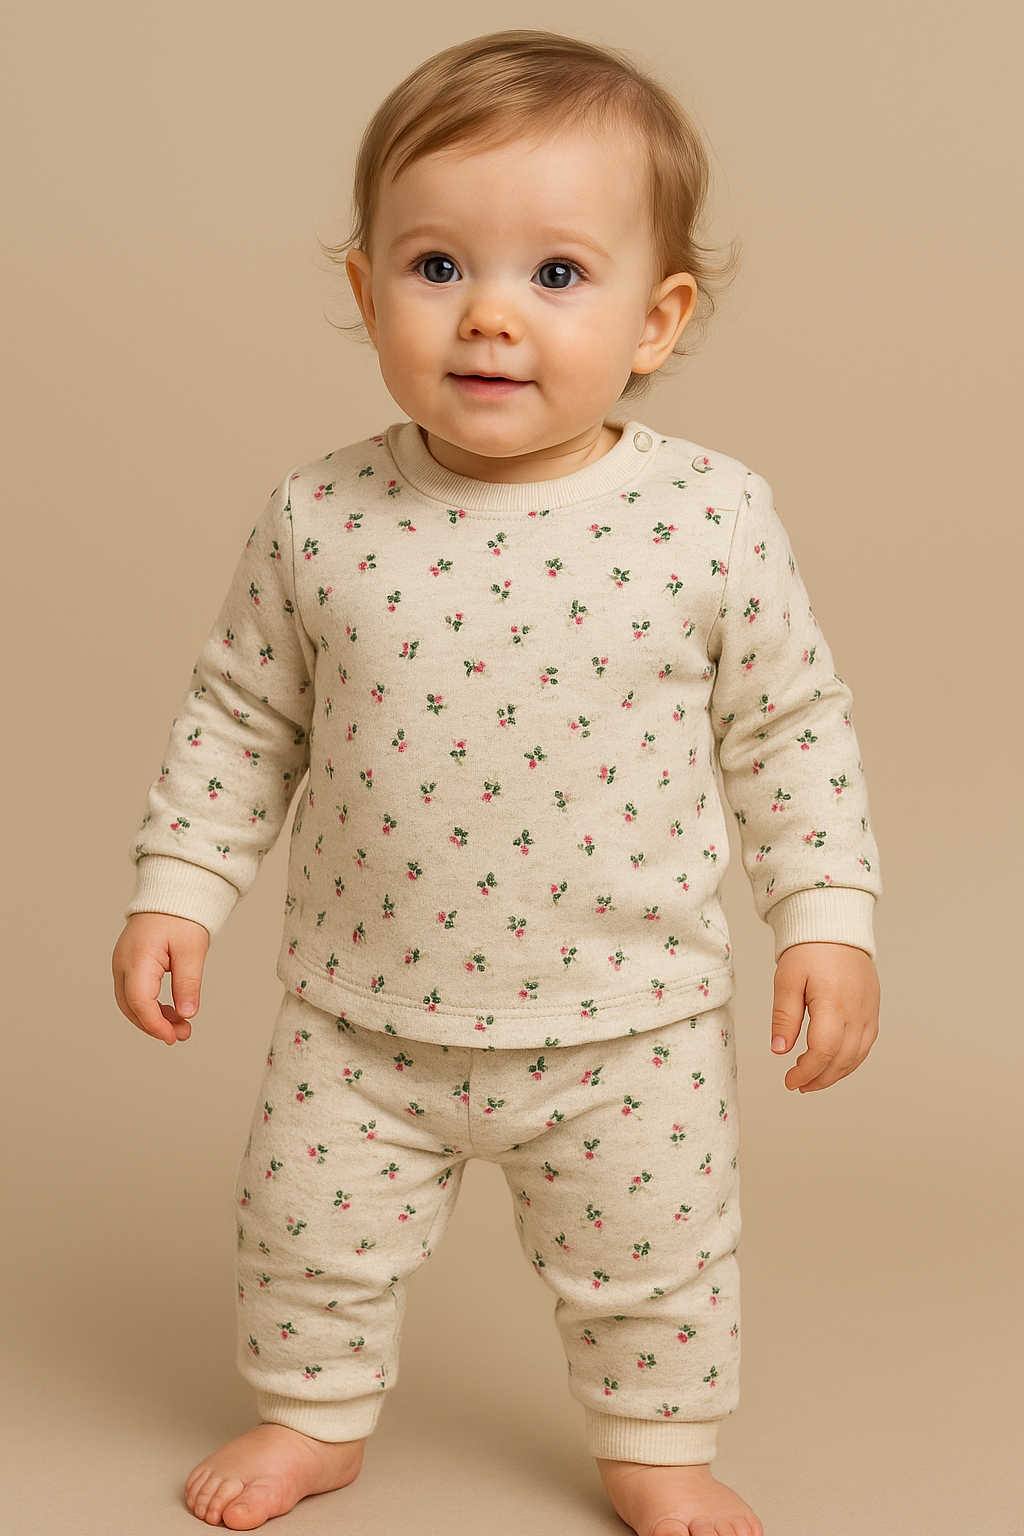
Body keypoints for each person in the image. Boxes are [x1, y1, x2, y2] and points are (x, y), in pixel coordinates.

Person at [111, 29, 881, 1536]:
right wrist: (178, 892)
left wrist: (828, 918)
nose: (489, 315)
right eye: (437, 265)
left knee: (657, 1254)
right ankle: (312, 1416)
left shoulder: (708, 519)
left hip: (628, 1019)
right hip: (359, 1013)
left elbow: (790, 731)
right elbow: (241, 718)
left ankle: (656, 1447)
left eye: (558, 274)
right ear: (365, 290)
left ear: (658, 319)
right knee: (305, 1232)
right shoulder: (320, 515)